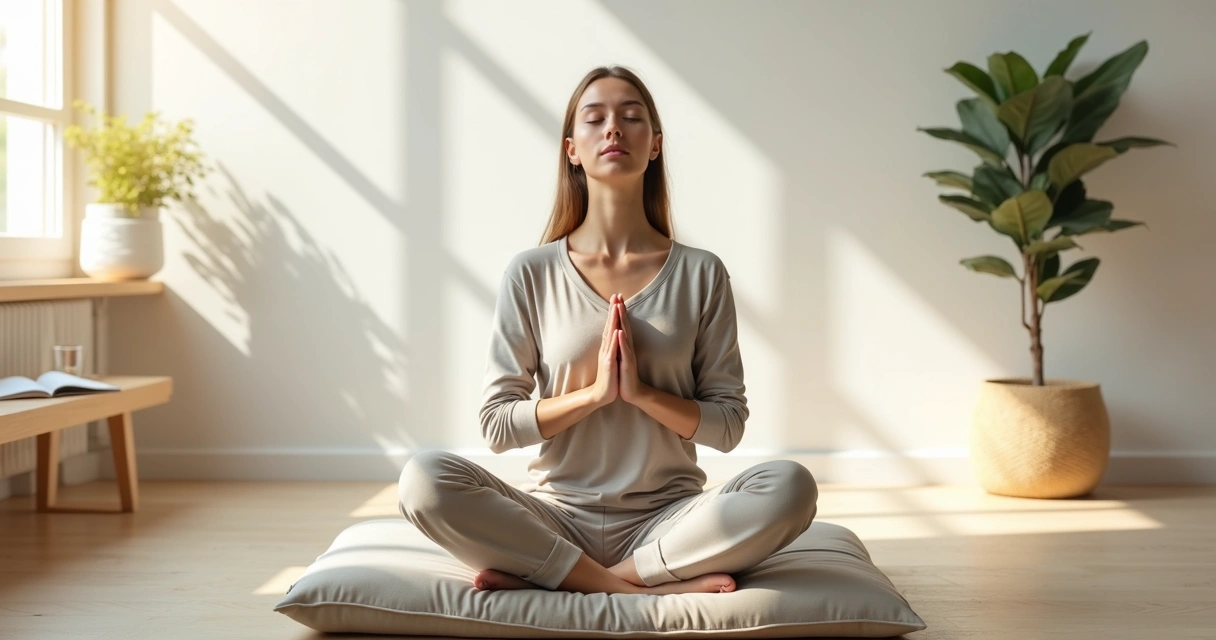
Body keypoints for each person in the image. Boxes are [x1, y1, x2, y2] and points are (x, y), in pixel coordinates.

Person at [398, 65, 817, 596]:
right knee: (424, 479)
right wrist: (595, 395)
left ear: (655, 144)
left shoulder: (701, 273)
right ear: (572, 149)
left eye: (631, 117)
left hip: (670, 521)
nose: (613, 128)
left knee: (790, 486)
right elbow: (498, 426)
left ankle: (580, 580)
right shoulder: (531, 272)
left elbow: (727, 427)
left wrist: (641, 394)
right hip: (554, 519)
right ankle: (645, 587)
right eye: (595, 118)